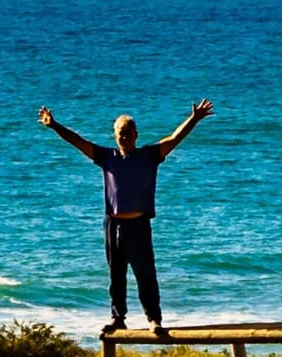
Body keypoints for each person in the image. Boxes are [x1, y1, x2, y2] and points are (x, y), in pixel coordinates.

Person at [40, 99, 213, 333]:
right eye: (120, 133)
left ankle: (154, 320)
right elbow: (78, 142)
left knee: (146, 274)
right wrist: (54, 125)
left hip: (139, 224)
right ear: (115, 135)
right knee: (116, 275)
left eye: (128, 133)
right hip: (113, 223)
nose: (124, 137)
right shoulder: (106, 156)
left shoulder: (149, 156)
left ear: (136, 134)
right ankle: (118, 317)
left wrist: (194, 119)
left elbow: (174, 139)